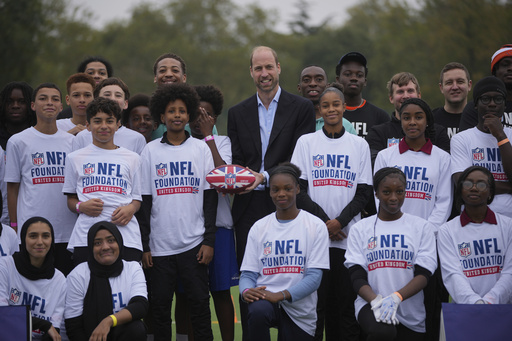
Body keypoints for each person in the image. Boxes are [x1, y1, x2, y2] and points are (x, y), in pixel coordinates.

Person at [228, 46, 315, 339]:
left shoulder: (302, 107)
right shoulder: (237, 112)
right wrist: (240, 177)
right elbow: (237, 159)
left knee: (296, 270)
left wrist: (265, 176)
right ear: (251, 72)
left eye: (269, 67)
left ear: (279, 68)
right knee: (249, 281)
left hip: (288, 201)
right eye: (258, 68)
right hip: (248, 206)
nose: (264, 74)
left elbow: (298, 157)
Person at [291, 84, 373, 340]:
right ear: (320, 109)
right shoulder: (306, 142)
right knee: (316, 309)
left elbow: (364, 192)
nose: (331, 109)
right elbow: (299, 189)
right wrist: (327, 223)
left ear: (344, 107)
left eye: (335, 104)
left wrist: (341, 222)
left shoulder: (359, 145)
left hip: (348, 240)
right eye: (325, 105)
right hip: (316, 239)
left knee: (345, 308)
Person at [139, 83, 217, 341]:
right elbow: (145, 202)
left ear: (189, 115)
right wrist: (145, 245)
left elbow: (209, 199)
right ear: (161, 116)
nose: (176, 115)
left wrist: (208, 241)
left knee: (199, 308)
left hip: (194, 245)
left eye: (182, 111)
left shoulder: (200, 149)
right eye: (171, 111)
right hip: (159, 249)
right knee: (160, 310)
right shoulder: (150, 151)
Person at [239, 163, 329, 341]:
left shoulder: (315, 225)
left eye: (287, 188)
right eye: (275, 189)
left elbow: (314, 278)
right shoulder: (259, 227)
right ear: (270, 192)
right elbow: (248, 273)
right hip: (265, 301)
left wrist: (280, 295)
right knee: (257, 311)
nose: (281, 194)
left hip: (300, 310)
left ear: (297, 189)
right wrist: (246, 290)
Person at [345, 167, 437, 340]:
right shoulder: (360, 228)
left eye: (399, 192)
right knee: (383, 332)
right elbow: (356, 275)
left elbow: (424, 274)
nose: (393, 198)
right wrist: (375, 300)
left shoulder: (422, 227)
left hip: (410, 311)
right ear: (377, 193)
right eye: (386, 192)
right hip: (371, 304)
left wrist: (397, 297)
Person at [5, 83, 76, 275]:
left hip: (67, 231)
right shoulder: (18, 141)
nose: (49, 103)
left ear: (61, 107)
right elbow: (12, 188)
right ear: (33, 105)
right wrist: (14, 226)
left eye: (55, 99)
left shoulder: (73, 142)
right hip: (32, 231)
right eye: (43, 98)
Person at [63, 97, 142, 265]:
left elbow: (137, 199)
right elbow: (70, 200)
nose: (104, 126)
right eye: (97, 121)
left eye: (110, 121)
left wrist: (130, 209)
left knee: (125, 286)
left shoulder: (133, 158)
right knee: (88, 288)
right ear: (88, 125)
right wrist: (81, 206)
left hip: (126, 235)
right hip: (86, 236)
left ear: (118, 124)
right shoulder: (74, 158)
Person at [189, 84, 238, 341]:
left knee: (220, 292)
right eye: (194, 115)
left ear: (214, 118)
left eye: (204, 115)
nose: (199, 121)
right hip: (189, 230)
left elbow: (225, 180)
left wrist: (209, 138)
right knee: (193, 295)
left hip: (219, 228)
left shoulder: (222, 141)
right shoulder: (181, 142)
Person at [438, 166, 512, 305]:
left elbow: (509, 272)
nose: (474, 188)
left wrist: (490, 301)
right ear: (460, 190)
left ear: (491, 192)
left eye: (481, 184)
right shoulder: (446, 230)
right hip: (465, 310)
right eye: (467, 183)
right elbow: (453, 274)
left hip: (503, 310)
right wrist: (475, 302)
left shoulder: (508, 226)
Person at [374, 98, 452, 229]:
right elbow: (379, 198)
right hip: (392, 231)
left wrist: (428, 231)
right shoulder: (385, 156)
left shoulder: (443, 158)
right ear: (401, 122)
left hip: (428, 235)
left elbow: (444, 202)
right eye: (406, 118)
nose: (412, 122)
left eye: (419, 117)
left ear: (427, 121)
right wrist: (392, 226)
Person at [65, 221, 148, 341]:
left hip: (121, 335)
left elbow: (140, 306)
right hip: (91, 338)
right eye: (97, 243)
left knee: (136, 328)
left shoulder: (132, 268)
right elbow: (74, 326)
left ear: (119, 242)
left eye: (111, 240)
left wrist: (109, 321)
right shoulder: (78, 275)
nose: (105, 247)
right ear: (90, 247)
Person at [451, 76, 512, 218]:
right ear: (476, 105)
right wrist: (509, 187)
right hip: (475, 218)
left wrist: (501, 137)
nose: (492, 104)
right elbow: (463, 183)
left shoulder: (509, 135)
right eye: (485, 99)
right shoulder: (461, 139)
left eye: (498, 99)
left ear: (505, 105)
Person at [0, 217, 66, 340]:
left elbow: (54, 329)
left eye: (46, 236)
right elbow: (3, 314)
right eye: (33, 236)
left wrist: (47, 327)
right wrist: (44, 325)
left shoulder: (59, 279)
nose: (40, 242)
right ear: (24, 239)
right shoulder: (5, 266)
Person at [366, 72, 450, 165]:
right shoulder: (378, 133)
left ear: (419, 95)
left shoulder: (438, 132)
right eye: (400, 91)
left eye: (410, 91)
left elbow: (445, 163)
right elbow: (375, 165)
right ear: (391, 98)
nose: (406, 96)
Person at [72, 77, 146, 154]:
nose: (112, 99)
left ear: (125, 103)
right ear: (96, 100)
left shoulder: (137, 139)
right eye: (107, 94)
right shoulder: (82, 137)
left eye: (118, 95)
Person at [334, 52, 389, 138]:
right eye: (348, 74)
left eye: (359, 75)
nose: (354, 78)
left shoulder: (380, 117)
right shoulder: (329, 114)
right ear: (338, 80)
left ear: (365, 81)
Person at [460, 44, 512, 131]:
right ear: (495, 71)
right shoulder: (476, 107)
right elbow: (467, 141)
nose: (510, 68)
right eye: (505, 64)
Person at [297, 65, 356, 134]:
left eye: (319, 79)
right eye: (306, 80)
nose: (313, 84)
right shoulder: (293, 121)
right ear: (299, 88)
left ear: (327, 86)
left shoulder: (345, 125)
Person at [432, 62, 472, 139]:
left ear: (469, 85)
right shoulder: (430, 120)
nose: (455, 87)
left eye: (460, 81)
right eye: (449, 83)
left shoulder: (479, 120)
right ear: (441, 88)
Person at [0, 81, 36, 150]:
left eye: (22, 102)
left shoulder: (39, 137)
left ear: (31, 105)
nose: (15, 106)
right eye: (9, 101)